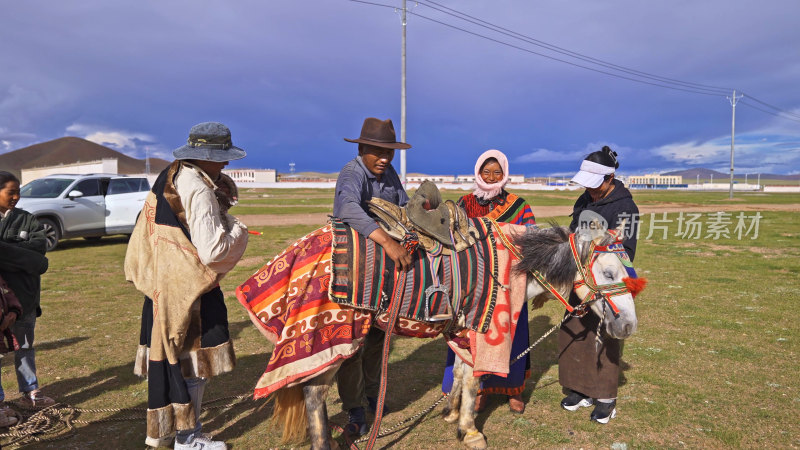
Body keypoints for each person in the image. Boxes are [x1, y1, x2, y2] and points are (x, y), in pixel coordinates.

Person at [124, 122, 249, 449]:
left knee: (172, 362)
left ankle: (168, 433)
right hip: (189, 293)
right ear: (205, 155)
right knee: (192, 365)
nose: (226, 163)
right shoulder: (198, 189)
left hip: (162, 288)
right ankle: (188, 438)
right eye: (222, 157)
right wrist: (237, 231)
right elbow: (213, 251)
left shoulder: (169, 174)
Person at [440, 149, 536, 414]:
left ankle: (513, 390)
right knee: (473, 337)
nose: (492, 177)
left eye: (498, 172)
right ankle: (478, 390)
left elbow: (531, 237)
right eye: (487, 172)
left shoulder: (519, 205)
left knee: (514, 335)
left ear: (505, 174)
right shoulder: (464, 202)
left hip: (510, 282)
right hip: (476, 281)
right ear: (478, 173)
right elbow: (454, 238)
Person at [332, 117, 412, 436]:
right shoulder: (352, 173)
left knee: (379, 332)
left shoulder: (389, 173)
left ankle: (372, 394)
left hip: (381, 271)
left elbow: (403, 206)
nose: (384, 158)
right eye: (378, 152)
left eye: (388, 153)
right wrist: (389, 242)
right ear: (363, 148)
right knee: (354, 336)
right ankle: (353, 405)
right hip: (353, 267)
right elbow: (347, 209)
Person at [558, 145, 639, 424]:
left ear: (609, 179)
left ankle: (605, 398)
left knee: (606, 338)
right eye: (587, 186)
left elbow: (623, 251)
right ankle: (580, 389)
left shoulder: (625, 207)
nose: (590, 191)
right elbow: (572, 234)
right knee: (574, 332)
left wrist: (595, 251)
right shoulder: (584, 200)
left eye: (595, 186)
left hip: (606, 280)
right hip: (578, 277)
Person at [0, 171, 54, 418]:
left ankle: (30, 390)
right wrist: (26, 258)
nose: (16, 197)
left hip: (26, 296)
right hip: (0, 302)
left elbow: (39, 251)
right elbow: (33, 259)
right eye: (11, 191)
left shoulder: (28, 220)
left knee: (25, 345)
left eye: (18, 191)